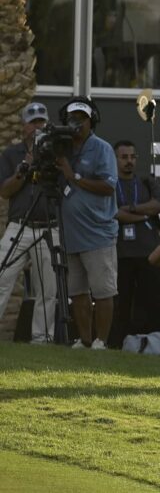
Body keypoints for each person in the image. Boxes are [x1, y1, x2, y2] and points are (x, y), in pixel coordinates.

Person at [56, 97, 118, 350]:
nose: (77, 123)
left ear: (92, 121)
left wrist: (74, 177)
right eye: (73, 119)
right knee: (77, 292)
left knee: (102, 291)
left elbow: (108, 186)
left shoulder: (102, 148)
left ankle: (101, 341)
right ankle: (85, 340)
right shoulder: (62, 148)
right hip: (70, 235)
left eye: (82, 118)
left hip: (97, 233)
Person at [0, 102, 58, 343]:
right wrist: (25, 165)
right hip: (19, 225)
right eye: (32, 122)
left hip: (49, 226)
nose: (37, 126)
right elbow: (5, 191)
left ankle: (41, 340)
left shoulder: (56, 152)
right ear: (23, 126)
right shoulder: (11, 154)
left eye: (41, 122)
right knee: (2, 278)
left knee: (47, 289)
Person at [109, 140, 160, 348]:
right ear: (115, 159)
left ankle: (153, 345)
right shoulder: (110, 184)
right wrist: (144, 215)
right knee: (121, 304)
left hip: (147, 253)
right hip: (120, 253)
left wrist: (132, 208)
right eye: (124, 157)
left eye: (132, 157)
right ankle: (117, 345)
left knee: (151, 302)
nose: (129, 161)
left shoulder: (145, 182)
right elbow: (114, 214)